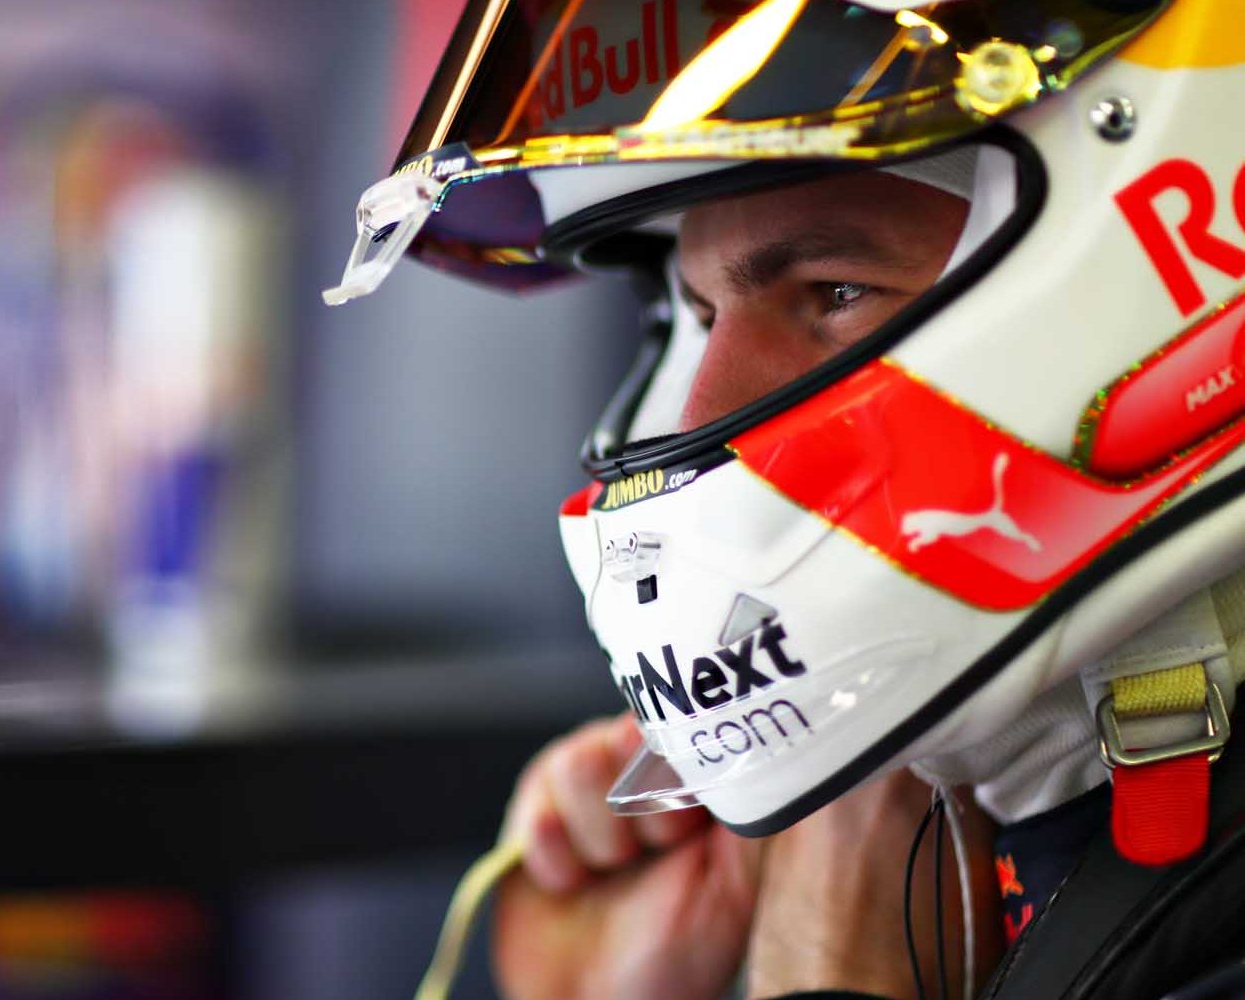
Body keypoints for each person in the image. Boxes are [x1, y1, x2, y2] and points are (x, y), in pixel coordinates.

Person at [325, 1, 1245, 998]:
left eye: (834, 290)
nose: (706, 401)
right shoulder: (982, 801)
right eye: (703, 313)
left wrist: (825, 970)